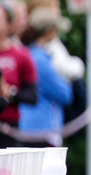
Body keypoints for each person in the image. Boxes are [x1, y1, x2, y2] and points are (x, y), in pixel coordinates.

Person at [18, 8, 74, 148]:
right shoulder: (40, 60)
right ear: (49, 32)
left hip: (27, 128)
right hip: (41, 130)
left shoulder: (28, 53)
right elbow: (64, 94)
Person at [0, 0, 38, 149]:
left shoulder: (21, 55)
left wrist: (10, 93)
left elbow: (32, 95)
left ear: (9, 24)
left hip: (10, 127)